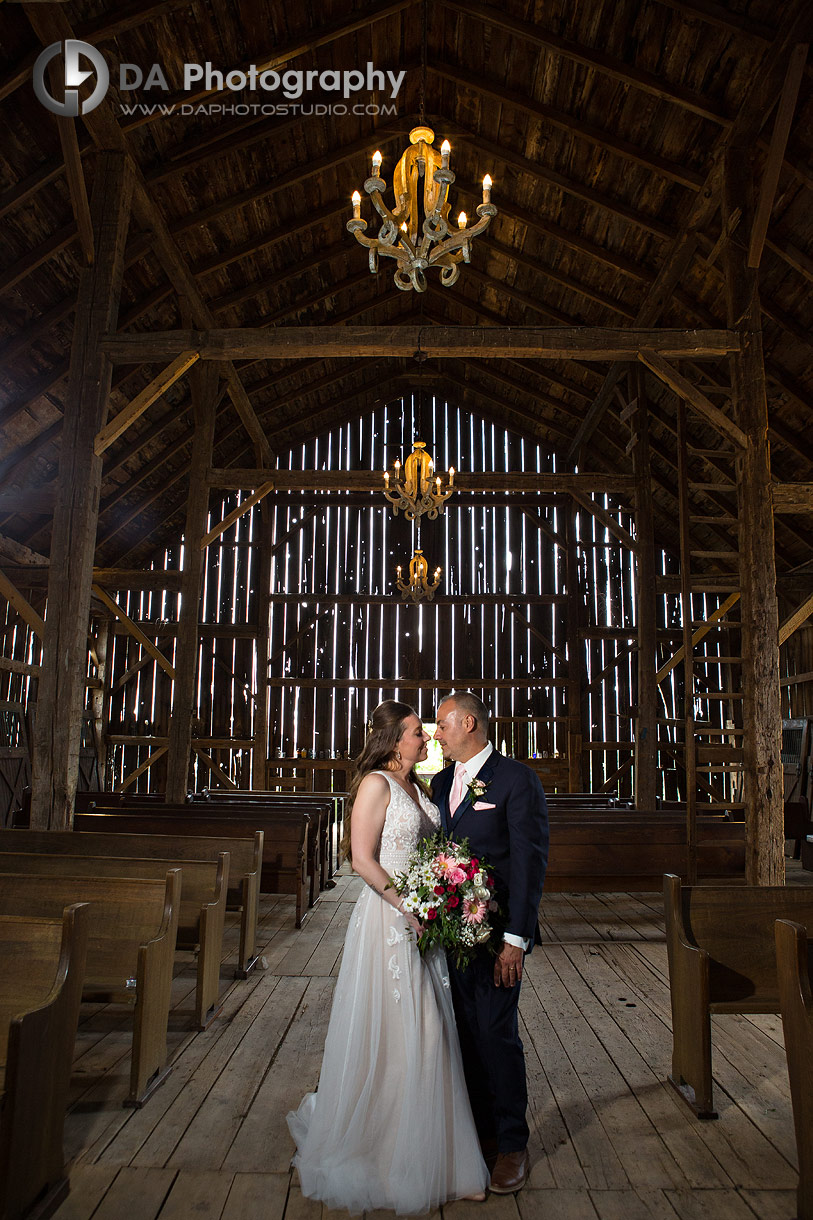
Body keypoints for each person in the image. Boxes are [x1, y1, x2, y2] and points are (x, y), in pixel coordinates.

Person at [287, 700, 489, 1214]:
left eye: (426, 732)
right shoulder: (376, 784)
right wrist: (409, 903)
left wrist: (443, 893)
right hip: (388, 922)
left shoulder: (418, 788)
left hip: (423, 923)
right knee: (400, 1030)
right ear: (394, 739)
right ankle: (383, 1154)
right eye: (417, 733)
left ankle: (437, 1157)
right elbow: (359, 858)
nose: (426, 740)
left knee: (428, 1032)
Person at [432, 691, 549, 1194]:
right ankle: (478, 1134)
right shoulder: (439, 783)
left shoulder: (516, 780)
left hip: (497, 935)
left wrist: (515, 941)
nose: (436, 733)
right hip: (447, 937)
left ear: (470, 723)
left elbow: (528, 864)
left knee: (496, 1034)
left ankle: (512, 1143)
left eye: (442, 724)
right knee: (460, 1034)